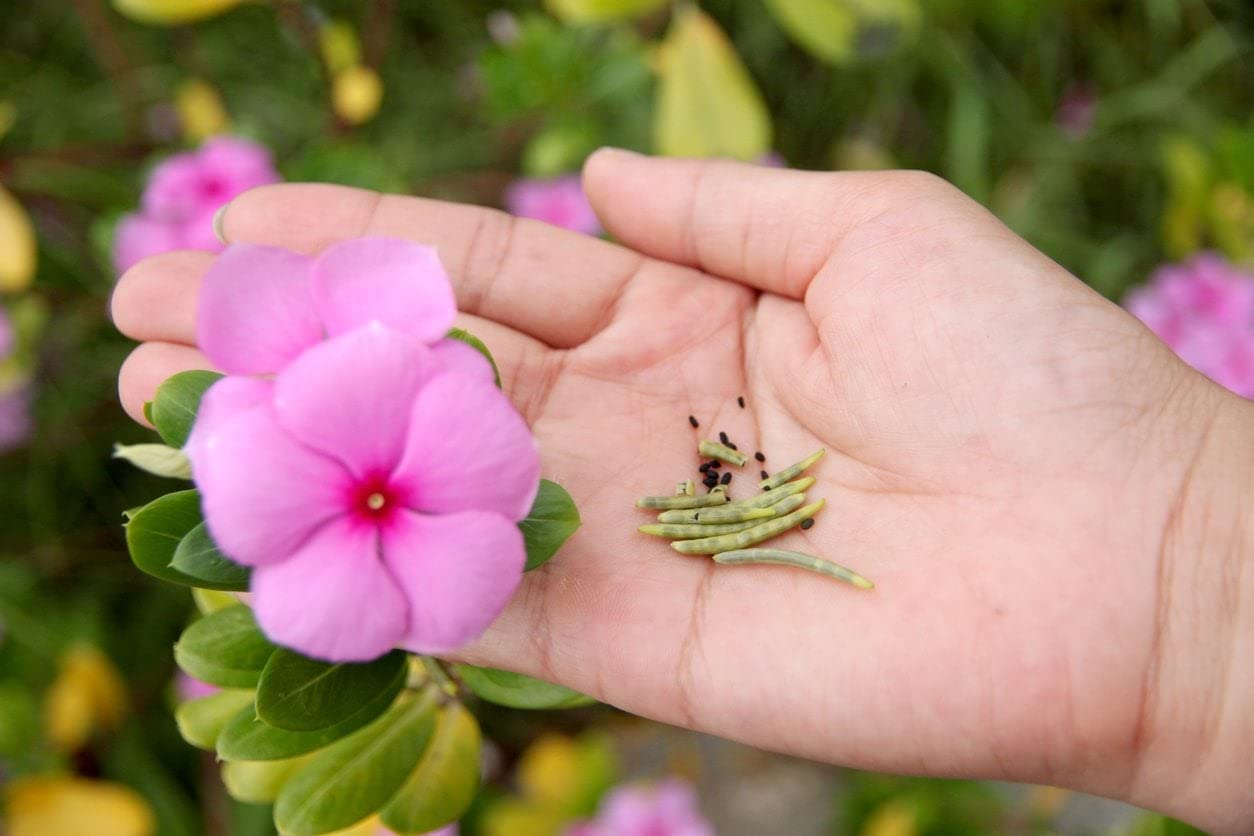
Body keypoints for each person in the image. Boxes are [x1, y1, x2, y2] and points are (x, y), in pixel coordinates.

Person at [111, 149, 1254, 835]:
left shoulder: (440, 420)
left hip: (420, 500)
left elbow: (474, 458)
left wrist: (1196, 577)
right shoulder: (285, 444)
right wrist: (1192, 606)